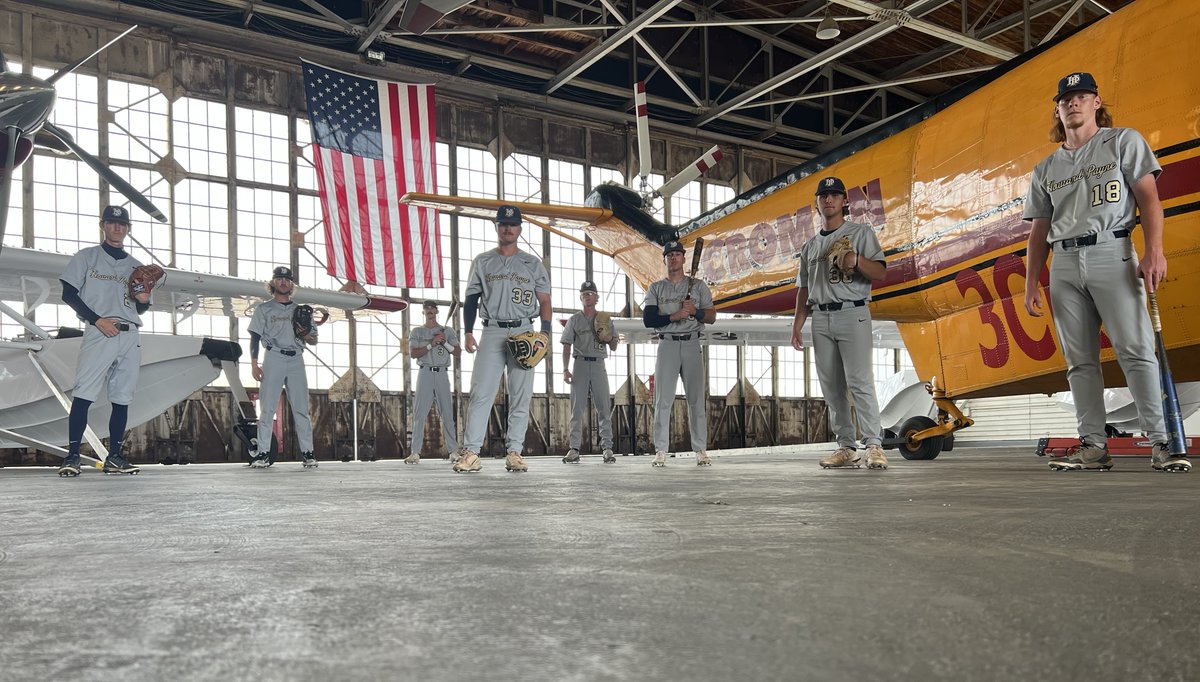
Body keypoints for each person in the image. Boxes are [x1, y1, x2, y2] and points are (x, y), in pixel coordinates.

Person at [1023, 72, 1189, 473]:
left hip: (1112, 251)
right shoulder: (1046, 168)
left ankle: (1161, 442)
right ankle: (1093, 445)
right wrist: (1031, 283)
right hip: (1064, 263)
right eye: (1066, 99)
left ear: (1096, 102)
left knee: (1135, 350)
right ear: (1057, 109)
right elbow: (1038, 231)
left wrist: (1154, 252)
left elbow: (1149, 200)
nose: (1073, 103)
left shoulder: (1123, 141)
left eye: (1082, 96)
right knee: (1079, 361)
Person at [790, 177, 888, 470]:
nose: (829, 199)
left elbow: (880, 272)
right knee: (832, 387)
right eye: (824, 195)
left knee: (859, 381)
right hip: (820, 317)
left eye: (834, 195)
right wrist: (797, 325)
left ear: (845, 201)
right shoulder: (810, 246)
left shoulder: (860, 233)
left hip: (852, 312)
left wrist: (856, 260)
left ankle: (873, 445)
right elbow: (803, 288)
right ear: (817, 202)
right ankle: (846, 446)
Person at [454, 204, 552, 473]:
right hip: (492, 329)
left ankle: (514, 452)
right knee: (481, 392)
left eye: (513, 224)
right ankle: (472, 452)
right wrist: (468, 331)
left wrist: (545, 332)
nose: (508, 228)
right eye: (503, 224)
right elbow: (471, 299)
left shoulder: (532, 263)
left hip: (524, 330)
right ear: (496, 227)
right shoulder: (483, 261)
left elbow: (545, 300)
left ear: (520, 228)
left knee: (521, 394)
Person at [57, 205, 153, 476]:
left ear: (128, 229)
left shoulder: (136, 266)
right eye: (111, 223)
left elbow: (140, 307)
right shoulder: (86, 257)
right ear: (103, 226)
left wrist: (144, 300)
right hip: (100, 330)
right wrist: (97, 320)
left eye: (122, 224)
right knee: (84, 393)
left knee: (122, 397)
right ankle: (72, 457)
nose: (117, 228)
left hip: (129, 333)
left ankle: (115, 457)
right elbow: (68, 294)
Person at [642, 240, 716, 467]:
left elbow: (711, 317)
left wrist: (695, 311)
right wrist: (674, 316)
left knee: (696, 399)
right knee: (663, 400)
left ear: (684, 258)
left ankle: (700, 449)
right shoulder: (656, 288)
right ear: (664, 260)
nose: (673, 258)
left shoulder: (699, 286)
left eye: (677, 254)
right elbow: (649, 319)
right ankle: (660, 450)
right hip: (668, 344)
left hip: (692, 343)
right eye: (669, 255)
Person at [247, 265, 319, 469]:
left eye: (287, 280)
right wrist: (254, 364)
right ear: (273, 282)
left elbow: (314, 339)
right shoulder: (264, 309)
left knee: (301, 408)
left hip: (296, 358)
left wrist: (306, 334)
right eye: (279, 279)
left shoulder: (300, 310)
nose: (283, 282)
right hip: (274, 356)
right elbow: (255, 337)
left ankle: (308, 453)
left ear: (291, 284)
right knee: (267, 408)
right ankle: (263, 453)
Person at [561, 280, 619, 464]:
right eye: (584, 294)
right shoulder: (574, 320)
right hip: (579, 364)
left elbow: (614, 346)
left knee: (603, 407)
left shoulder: (605, 319)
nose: (587, 296)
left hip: (598, 364)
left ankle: (607, 448)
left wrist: (609, 337)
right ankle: (574, 448)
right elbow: (566, 345)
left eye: (591, 294)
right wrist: (565, 369)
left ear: (597, 297)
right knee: (576, 408)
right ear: (581, 298)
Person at [407, 300, 461, 463]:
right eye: (427, 309)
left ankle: (453, 451)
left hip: (442, 373)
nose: (430, 311)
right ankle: (415, 452)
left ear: (437, 311)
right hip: (425, 373)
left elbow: (457, 352)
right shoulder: (417, 332)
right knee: (419, 414)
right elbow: (413, 353)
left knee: (447, 413)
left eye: (432, 308)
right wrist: (431, 344)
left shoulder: (447, 331)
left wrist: (444, 342)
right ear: (423, 312)